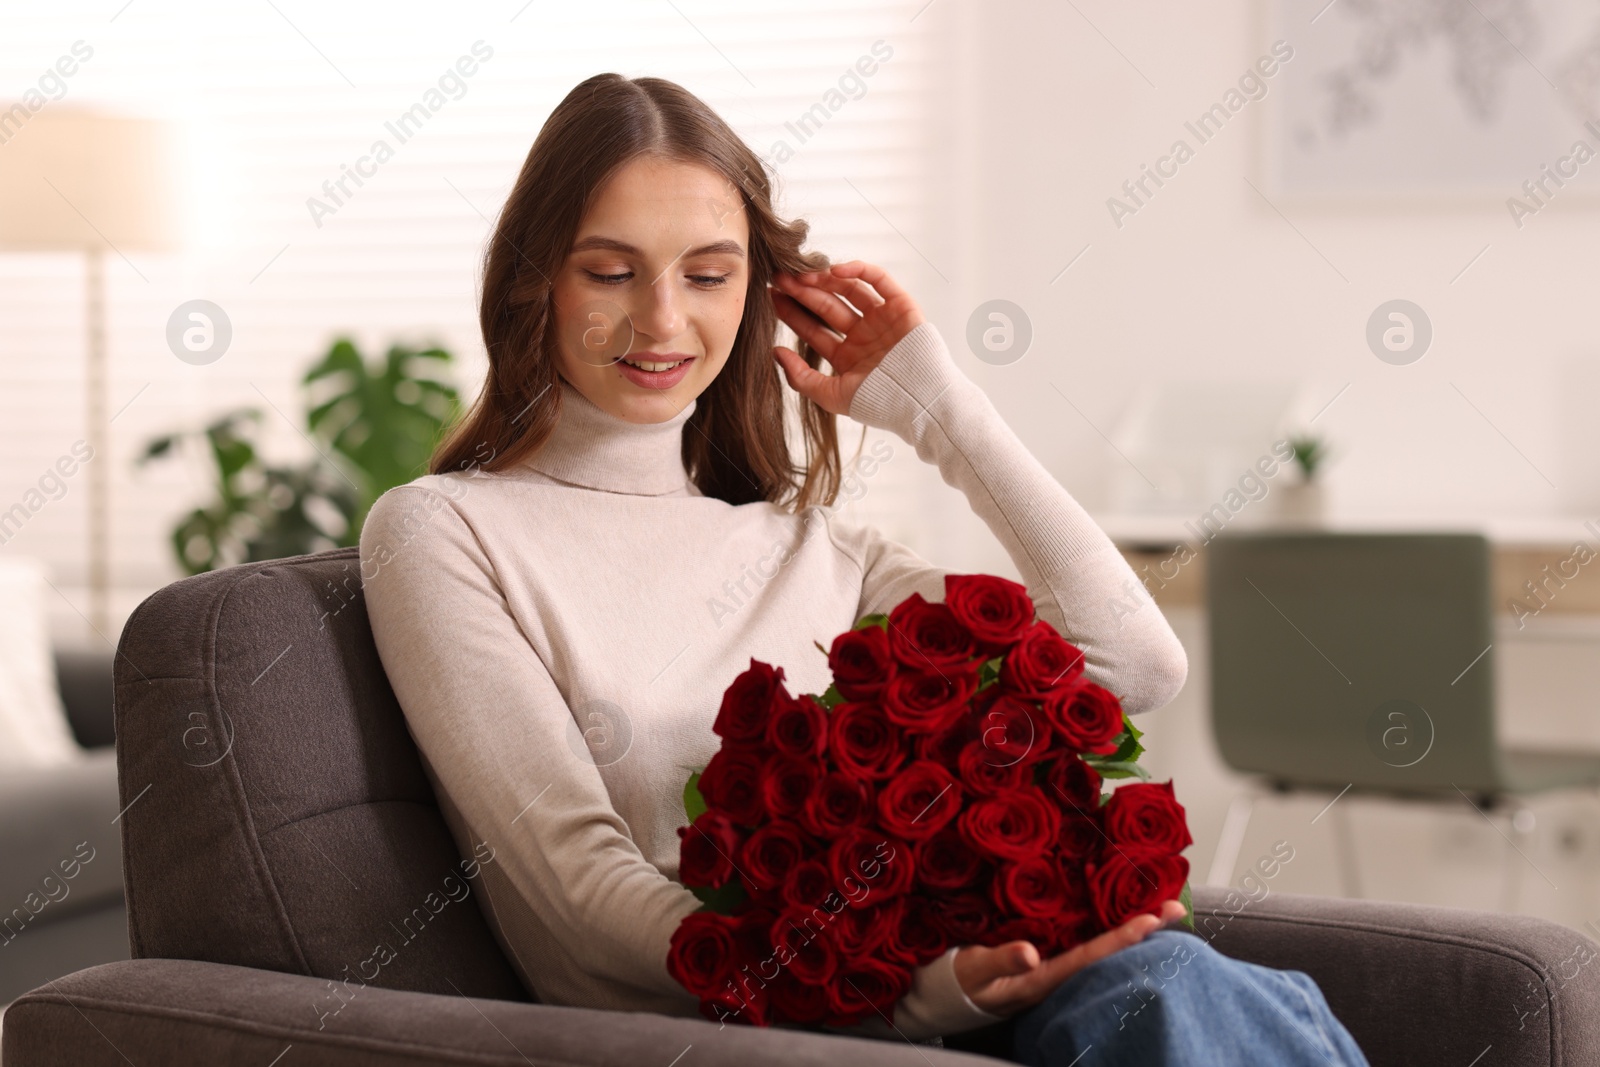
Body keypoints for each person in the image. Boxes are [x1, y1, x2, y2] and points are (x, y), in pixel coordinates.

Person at [358, 72, 1369, 1066]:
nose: (664, 320)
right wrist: (913, 997)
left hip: (975, 1002)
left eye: (708, 274)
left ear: (758, 294)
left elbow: (1134, 669)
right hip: (763, 1030)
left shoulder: (819, 550)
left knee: (1197, 987)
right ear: (535, 277)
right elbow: (580, 897)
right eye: (612, 272)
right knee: (1171, 994)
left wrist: (934, 407)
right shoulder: (444, 532)